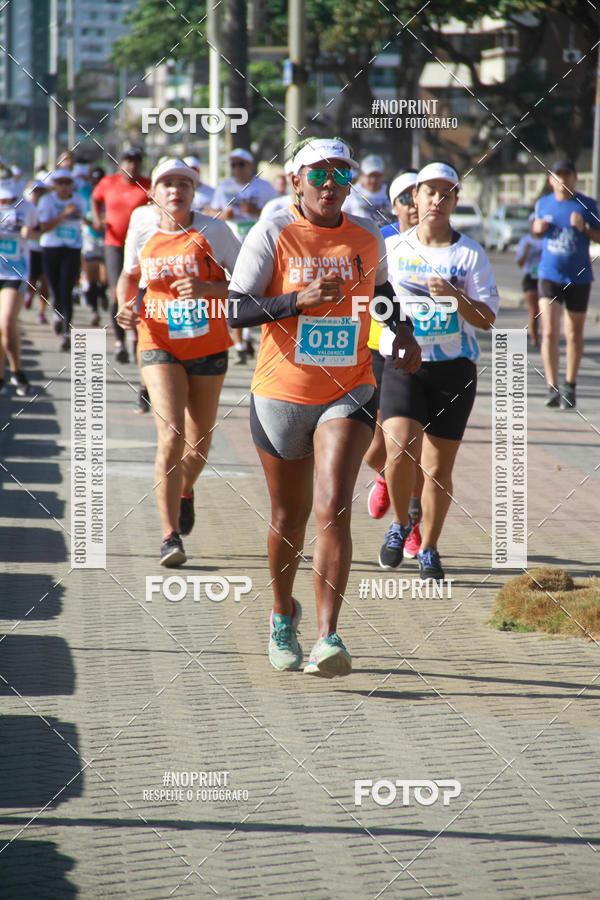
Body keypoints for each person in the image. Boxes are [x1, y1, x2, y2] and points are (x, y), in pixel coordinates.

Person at [228, 136, 421, 678]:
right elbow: (233, 310)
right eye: (319, 174)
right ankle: (281, 613)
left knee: (333, 504)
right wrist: (297, 301)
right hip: (281, 394)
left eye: (341, 173)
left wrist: (402, 332)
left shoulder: (366, 236)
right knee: (287, 518)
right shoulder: (272, 231)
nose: (330, 183)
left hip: (349, 387)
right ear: (296, 181)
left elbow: (382, 296)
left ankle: (327, 637)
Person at [116, 159, 241, 566]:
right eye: (167, 183)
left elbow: (248, 284)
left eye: (184, 184)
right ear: (153, 192)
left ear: (194, 191)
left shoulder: (214, 231)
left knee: (199, 444)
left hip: (208, 344)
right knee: (171, 436)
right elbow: (129, 276)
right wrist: (124, 306)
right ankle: (169, 536)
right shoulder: (141, 226)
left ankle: (185, 490)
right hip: (157, 339)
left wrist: (207, 288)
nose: (175, 190)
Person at [378, 161, 499, 580]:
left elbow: (487, 319)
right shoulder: (392, 248)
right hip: (402, 364)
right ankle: (400, 523)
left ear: (455, 201)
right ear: (415, 197)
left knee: (436, 469)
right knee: (398, 450)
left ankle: (429, 547)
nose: (437, 200)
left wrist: (455, 296)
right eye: (429, 192)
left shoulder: (470, 254)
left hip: (453, 370)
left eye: (446, 193)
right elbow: (374, 300)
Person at [365, 169, 424, 558]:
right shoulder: (381, 242)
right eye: (405, 198)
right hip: (380, 349)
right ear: (394, 206)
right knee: (375, 449)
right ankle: (387, 477)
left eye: (419, 196)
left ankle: (412, 525)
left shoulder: (443, 245)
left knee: (414, 449)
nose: (414, 204)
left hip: (429, 356)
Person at [532, 159, 600, 409]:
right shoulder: (543, 203)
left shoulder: (587, 204)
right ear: (551, 179)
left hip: (579, 277)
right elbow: (535, 229)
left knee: (574, 333)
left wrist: (585, 229)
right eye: (558, 175)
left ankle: (570, 384)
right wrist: (537, 228)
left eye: (567, 175)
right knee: (549, 331)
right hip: (550, 275)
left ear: (575, 178)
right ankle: (552, 387)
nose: (563, 180)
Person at [209, 148, 278, 363]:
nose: (237, 169)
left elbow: (278, 214)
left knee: (259, 292)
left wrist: (255, 211)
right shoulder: (224, 187)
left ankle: (249, 337)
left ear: (250, 166)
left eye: (241, 164)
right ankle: (239, 344)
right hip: (233, 246)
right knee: (235, 291)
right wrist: (223, 214)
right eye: (233, 165)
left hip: (258, 247)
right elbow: (210, 212)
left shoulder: (264, 187)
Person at [91, 145, 151, 363]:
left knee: (140, 290)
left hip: (141, 245)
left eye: (136, 161)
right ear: (120, 164)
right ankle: (119, 341)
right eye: (128, 161)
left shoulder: (148, 185)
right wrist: (96, 218)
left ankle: (137, 336)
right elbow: (95, 199)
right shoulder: (108, 182)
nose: (132, 165)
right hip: (115, 243)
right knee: (117, 291)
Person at [38, 168, 86, 351]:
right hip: (51, 247)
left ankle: (66, 332)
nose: (64, 186)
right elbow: (44, 227)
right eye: (61, 183)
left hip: (72, 248)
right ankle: (57, 315)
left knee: (67, 290)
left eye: (68, 182)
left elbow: (82, 220)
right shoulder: (47, 200)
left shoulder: (79, 200)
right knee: (55, 289)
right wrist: (63, 214)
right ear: (55, 185)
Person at [0, 182, 38, 395]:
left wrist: (30, 233)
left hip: (15, 272)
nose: (4, 201)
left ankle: (16, 371)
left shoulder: (27, 208)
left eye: (8, 198)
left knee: (6, 321)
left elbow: (38, 233)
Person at [79, 165, 108, 326]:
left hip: (108, 237)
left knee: (105, 277)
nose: (97, 185)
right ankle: (94, 310)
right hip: (90, 236)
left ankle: (103, 292)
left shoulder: (110, 191)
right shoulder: (83, 192)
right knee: (92, 276)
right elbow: (79, 214)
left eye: (100, 181)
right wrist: (92, 223)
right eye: (94, 182)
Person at [23, 179, 50, 323]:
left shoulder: (48, 206)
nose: (38, 195)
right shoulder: (24, 207)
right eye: (35, 191)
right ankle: (29, 295)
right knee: (31, 281)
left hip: (46, 249)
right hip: (30, 250)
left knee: (45, 282)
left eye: (41, 191)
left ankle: (41, 312)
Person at [515, 213, 542, 346]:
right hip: (530, 278)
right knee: (534, 311)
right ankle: (534, 339)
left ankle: (546, 336)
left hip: (545, 278)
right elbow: (519, 263)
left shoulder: (548, 239)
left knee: (545, 311)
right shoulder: (525, 241)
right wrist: (526, 251)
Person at [342, 154, 393, 225]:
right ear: (362, 174)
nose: (373, 180)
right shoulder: (351, 192)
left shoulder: (390, 191)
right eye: (370, 176)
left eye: (377, 176)